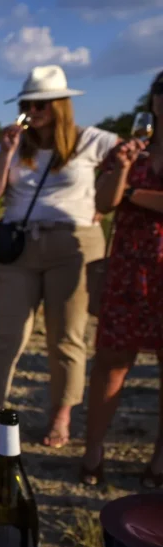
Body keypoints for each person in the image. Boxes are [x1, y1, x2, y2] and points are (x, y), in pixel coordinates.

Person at [0, 65, 118, 449]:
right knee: (3, 337)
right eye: (28, 102)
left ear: (60, 105)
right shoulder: (13, 143)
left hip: (72, 245)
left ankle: (61, 416)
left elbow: (127, 172)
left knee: (66, 338)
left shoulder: (93, 140)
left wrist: (102, 207)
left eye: (41, 103)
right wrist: (6, 153)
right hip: (19, 247)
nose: (33, 109)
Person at [80, 69, 163, 488]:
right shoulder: (131, 151)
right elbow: (102, 203)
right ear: (153, 101)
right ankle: (93, 451)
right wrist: (124, 171)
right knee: (111, 362)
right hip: (129, 270)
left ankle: (160, 461)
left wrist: (133, 195)